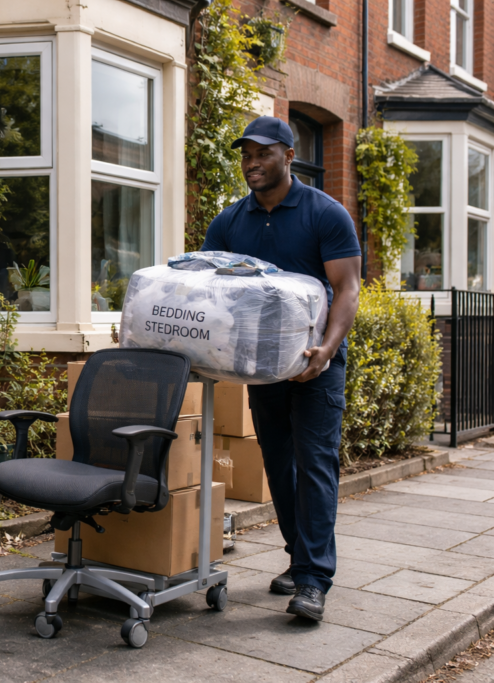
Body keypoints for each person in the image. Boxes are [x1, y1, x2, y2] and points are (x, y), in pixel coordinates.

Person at [201, 116, 361, 621]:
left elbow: (347, 288)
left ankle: (313, 580)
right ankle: (299, 557)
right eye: (246, 154)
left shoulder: (324, 213)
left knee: (315, 465)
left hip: (317, 364)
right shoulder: (230, 222)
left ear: (289, 157)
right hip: (261, 367)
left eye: (263, 153)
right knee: (279, 464)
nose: (252, 163)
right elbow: (208, 290)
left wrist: (327, 350)